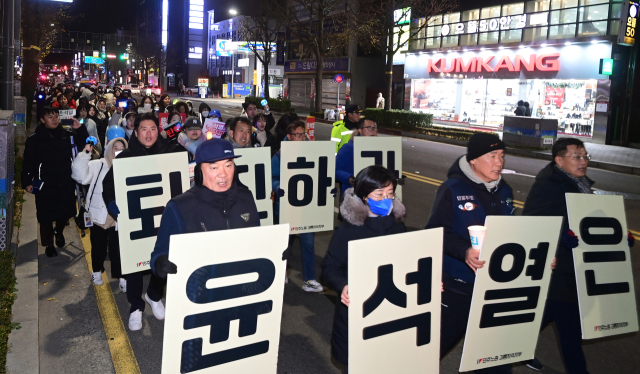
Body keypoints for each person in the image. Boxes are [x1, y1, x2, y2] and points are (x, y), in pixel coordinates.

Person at [522, 138, 634, 373]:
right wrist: (560, 236)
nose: (583, 162)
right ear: (559, 160)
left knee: (547, 314)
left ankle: (515, 345)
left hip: (575, 268)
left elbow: (587, 221)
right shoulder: (548, 185)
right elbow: (530, 221)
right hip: (557, 269)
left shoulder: (579, 183)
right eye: (577, 157)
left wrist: (617, 238)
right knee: (570, 333)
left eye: (585, 157)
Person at [426, 133, 533, 373]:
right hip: (458, 287)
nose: (499, 162)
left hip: (494, 287)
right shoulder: (452, 189)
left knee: (495, 359)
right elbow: (435, 231)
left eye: (502, 156)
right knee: (430, 352)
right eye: (492, 156)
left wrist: (536, 254)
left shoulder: (504, 190)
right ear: (473, 160)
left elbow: (511, 233)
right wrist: (464, 251)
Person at [149, 138, 260, 345]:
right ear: (199, 170)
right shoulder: (180, 207)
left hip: (240, 298)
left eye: (228, 165)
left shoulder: (247, 198)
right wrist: (161, 262)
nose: (223, 173)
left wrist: (276, 253)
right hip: (199, 304)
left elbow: (257, 241)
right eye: (214, 167)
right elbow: (159, 253)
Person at [322, 165, 406, 374]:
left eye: (390, 194)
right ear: (364, 197)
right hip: (359, 312)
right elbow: (330, 268)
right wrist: (342, 285)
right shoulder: (348, 230)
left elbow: (406, 263)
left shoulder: (397, 226)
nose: (386, 200)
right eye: (379, 194)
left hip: (389, 308)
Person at [101, 113, 168, 331]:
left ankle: (154, 296)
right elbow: (108, 185)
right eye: (144, 129)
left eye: (153, 129)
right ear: (136, 132)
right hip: (135, 218)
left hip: (162, 216)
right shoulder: (125, 158)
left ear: (158, 131)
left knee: (162, 259)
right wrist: (111, 202)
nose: (149, 134)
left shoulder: (168, 153)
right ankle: (136, 306)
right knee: (135, 266)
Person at [22, 107, 89, 257]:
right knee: (45, 216)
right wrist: (27, 181)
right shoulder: (34, 139)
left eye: (56, 116)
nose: (54, 119)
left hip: (65, 181)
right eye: (50, 116)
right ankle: (49, 244)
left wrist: (81, 128)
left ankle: (59, 231)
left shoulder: (68, 135)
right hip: (44, 183)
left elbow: (86, 146)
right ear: (42, 120)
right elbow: (28, 163)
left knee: (65, 212)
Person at [272, 120, 323, 292]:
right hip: (287, 206)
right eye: (297, 134)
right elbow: (272, 177)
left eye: (303, 134)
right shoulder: (279, 155)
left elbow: (322, 173)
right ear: (288, 136)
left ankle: (309, 279)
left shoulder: (314, 151)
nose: (301, 137)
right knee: (285, 243)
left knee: (308, 243)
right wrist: (277, 187)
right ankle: (281, 272)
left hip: (308, 206)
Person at [72, 136, 128, 291]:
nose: (118, 150)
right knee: (98, 247)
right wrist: (84, 154)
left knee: (119, 250)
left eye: (122, 148)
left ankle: (123, 277)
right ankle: (96, 271)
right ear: (109, 149)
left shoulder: (128, 166)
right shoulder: (98, 165)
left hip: (119, 217)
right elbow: (80, 176)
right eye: (115, 147)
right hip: (98, 215)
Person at [336, 118, 379, 195]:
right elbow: (335, 169)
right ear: (360, 130)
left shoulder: (381, 149)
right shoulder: (349, 147)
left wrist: (395, 177)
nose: (373, 131)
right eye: (369, 128)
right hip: (353, 196)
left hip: (375, 196)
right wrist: (349, 178)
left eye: (375, 128)